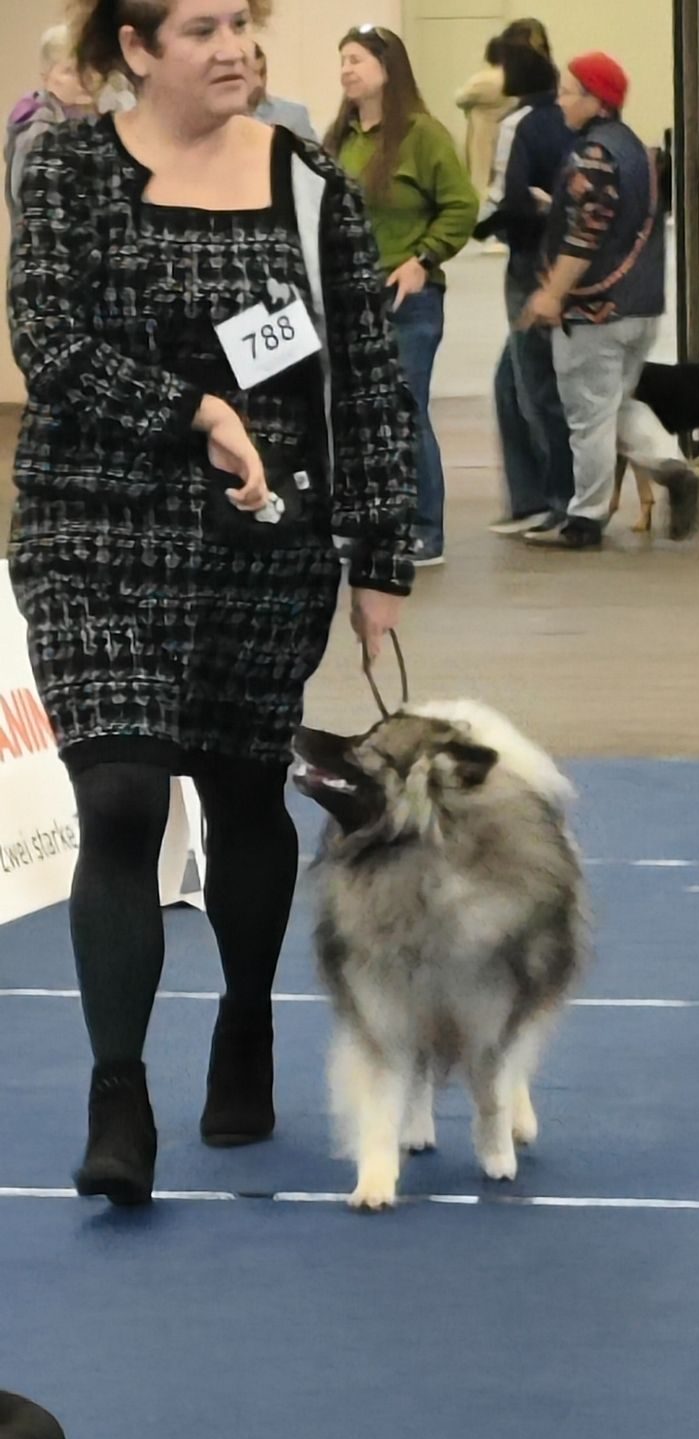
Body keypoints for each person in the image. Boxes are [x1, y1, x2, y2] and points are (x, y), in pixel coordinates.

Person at [7, 0, 416, 1208]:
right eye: (201, 29)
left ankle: (246, 1023)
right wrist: (195, 411)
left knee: (244, 794)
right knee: (121, 797)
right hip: (96, 526)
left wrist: (381, 554)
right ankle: (118, 1097)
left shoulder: (310, 182)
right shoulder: (70, 170)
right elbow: (49, 343)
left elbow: (365, 375)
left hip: (263, 541)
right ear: (135, 49)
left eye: (241, 21)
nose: (234, 46)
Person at [522, 51, 699, 550]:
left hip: (594, 311)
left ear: (596, 100)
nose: (560, 102)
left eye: (567, 92)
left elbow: (586, 235)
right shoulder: (638, 151)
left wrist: (552, 293)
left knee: (588, 419)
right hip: (641, 306)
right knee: (613, 405)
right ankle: (673, 468)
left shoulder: (594, 155)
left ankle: (586, 518)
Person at [326, 26, 478, 568]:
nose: (346, 70)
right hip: (352, 297)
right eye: (343, 60)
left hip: (407, 298)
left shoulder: (422, 135)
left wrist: (423, 259)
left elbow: (461, 206)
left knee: (403, 409)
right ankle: (369, 524)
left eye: (357, 60)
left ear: (388, 69)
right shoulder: (342, 139)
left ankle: (424, 528)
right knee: (358, 417)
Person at [473, 38, 573, 534]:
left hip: (531, 263)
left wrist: (482, 227)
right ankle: (533, 497)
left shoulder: (519, 123)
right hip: (569, 260)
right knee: (512, 382)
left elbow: (506, 195)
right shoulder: (570, 120)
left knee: (536, 387)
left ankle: (558, 501)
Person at [4, 24, 95, 219]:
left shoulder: (90, 118)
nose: (82, 78)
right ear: (46, 78)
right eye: (69, 71)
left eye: (86, 66)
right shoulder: (37, 130)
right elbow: (28, 206)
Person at [455, 36, 511, 203]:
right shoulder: (514, 80)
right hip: (504, 133)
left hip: (481, 133)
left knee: (479, 177)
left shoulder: (485, 79)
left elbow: (460, 98)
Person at [249, 42, 315, 144]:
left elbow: (312, 153)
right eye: (251, 74)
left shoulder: (294, 115)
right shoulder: (224, 121)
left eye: (261, 73)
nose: (259, 82)